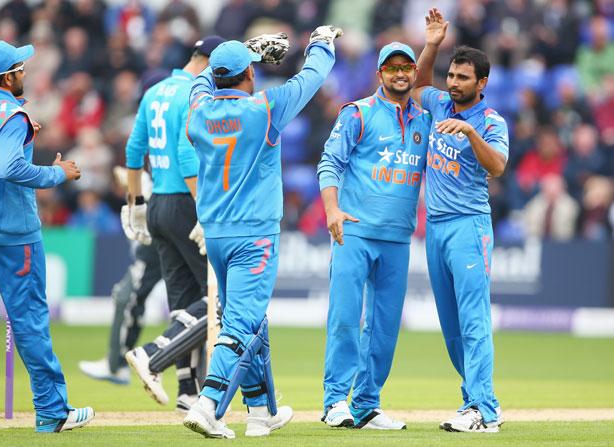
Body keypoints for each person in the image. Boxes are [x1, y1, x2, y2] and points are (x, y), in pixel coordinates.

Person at [182, 27, 339, 439]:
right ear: (250, 73)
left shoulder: (197, 111)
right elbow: (312, 77)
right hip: (254, 235)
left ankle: (258, 411)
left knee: (251, 323)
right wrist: (321, 40)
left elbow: (200, 81)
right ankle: (208, 403)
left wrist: (235, 54)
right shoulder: (264, 108)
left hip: (215, 233)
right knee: (239, 324)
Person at [0, 40, 93, 433]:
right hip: (12, 233)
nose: (24, 74)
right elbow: (10, 168)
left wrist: (24, 136)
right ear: (7, 76)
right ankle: (52, 411)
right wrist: (59, 173)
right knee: (29, 322)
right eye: (20, 69)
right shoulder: (12, 113)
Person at [317, 41, 431, 430]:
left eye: (407, 68)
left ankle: (366, 403)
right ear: (379, 73)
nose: (400, 74)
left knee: (383, 328)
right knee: (347, 319)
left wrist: (432, 45)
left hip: (398, 237)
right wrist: (332, 209)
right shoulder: (358, 113)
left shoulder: (425, 119)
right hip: (355, 233)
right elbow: (329, 162)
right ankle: (335, 401)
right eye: (392, 68)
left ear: (415, 72)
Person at [411, 9, 508, 433]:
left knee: (473, 320)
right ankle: (476, 401)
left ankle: (484, 410)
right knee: (451, 327)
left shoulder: (490, 121)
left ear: (481, 83)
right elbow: (417, 85)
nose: (452, 83)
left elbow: (499, 166)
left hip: (469, 225)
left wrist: (470, 135)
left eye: (462, 78)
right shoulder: (438, 102)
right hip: (436, 227)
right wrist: (431, 45)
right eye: (451, 75)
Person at [121, 36, 225, 412]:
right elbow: (186, 154)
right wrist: (205, 209)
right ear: (209, 62)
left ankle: (187, 390)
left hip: (158, 204)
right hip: (187, 201)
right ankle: (153, 354)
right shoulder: (196, 94)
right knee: (218, 298)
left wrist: (136, 204)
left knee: (183, 300)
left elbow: (134, 151)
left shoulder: (157, 90)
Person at [78, 167, 161, 386]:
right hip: (167, 223)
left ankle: (117, 365)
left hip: (164, 229)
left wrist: (139, 180)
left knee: (128, 295)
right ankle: (193, 386)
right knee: (129, 296)